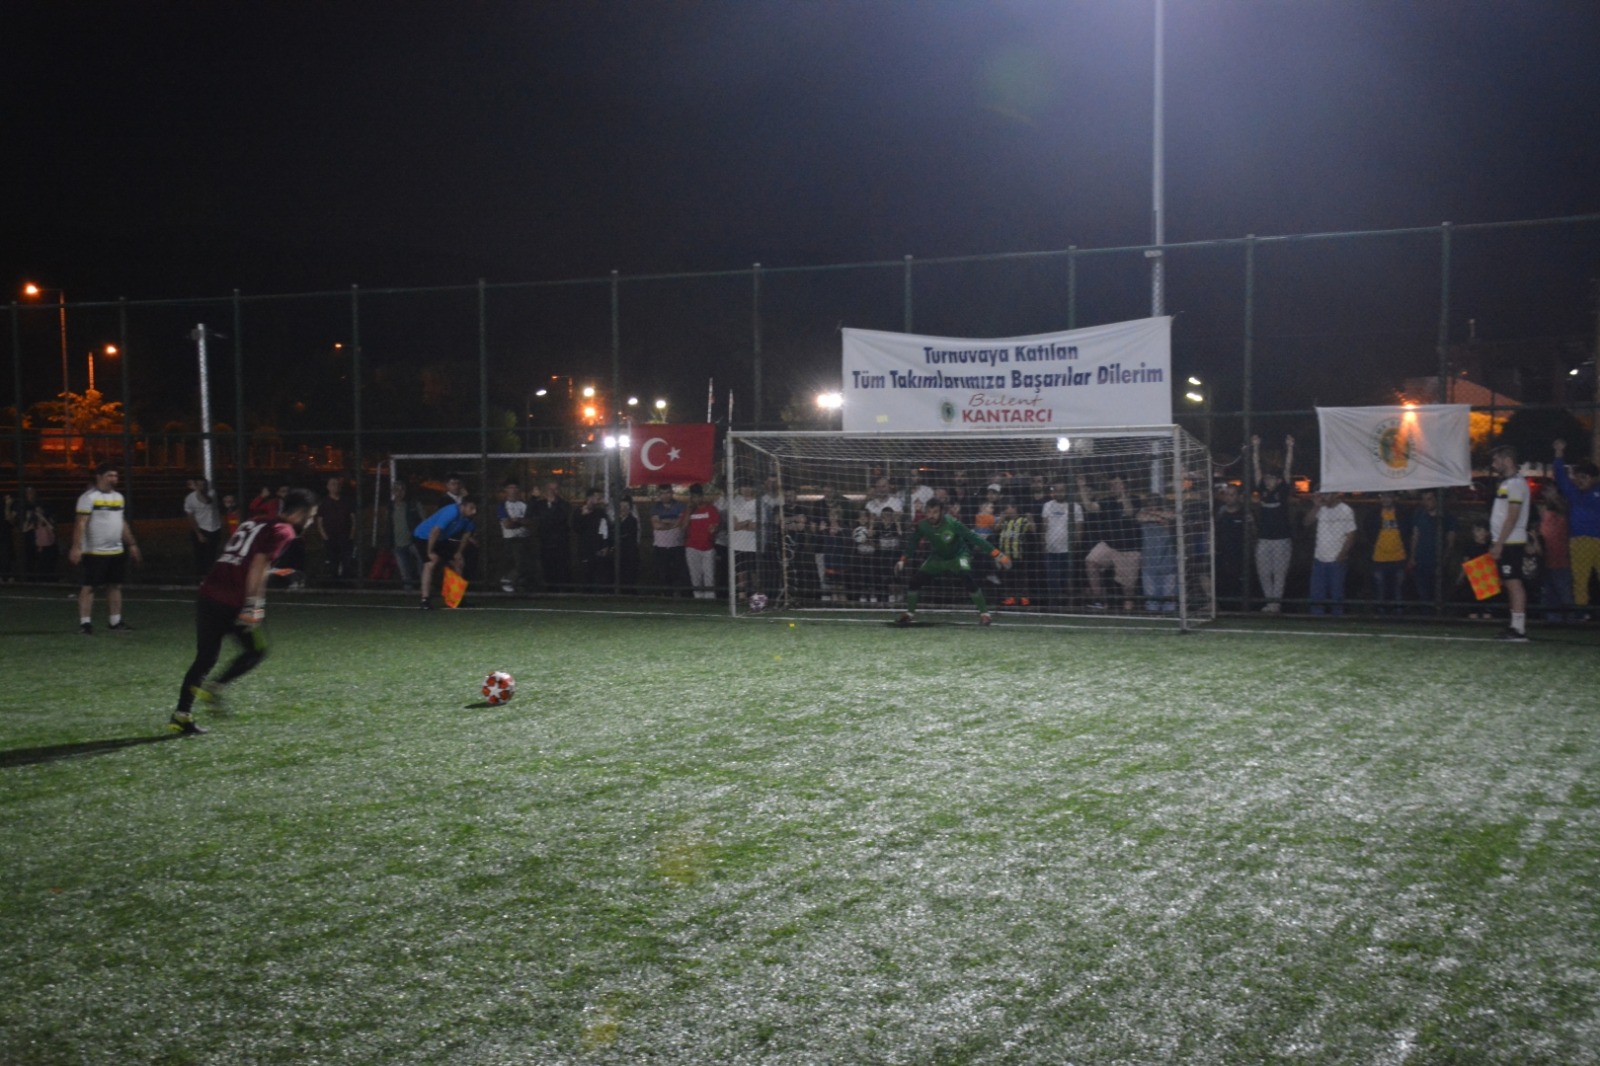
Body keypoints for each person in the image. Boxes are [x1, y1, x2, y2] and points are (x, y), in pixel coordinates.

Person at [168, 488, 319, 736]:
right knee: (257, 650)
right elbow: (258, 565)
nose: (310, 522)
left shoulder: (255, 521)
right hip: (233, 602)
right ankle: (216, 687)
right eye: (311, 516)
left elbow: (243, 559)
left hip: (209, 595)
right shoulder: (284, 531)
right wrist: (253, 606)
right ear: (300, 514)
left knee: (205, 658)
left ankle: (181, 715)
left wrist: (277, 573)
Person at [895, 497, 1010, 626]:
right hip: (937, 558)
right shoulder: (923, 525)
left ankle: (985, 615)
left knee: (967, 577)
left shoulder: (952, 523)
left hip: (959, 556)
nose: (931, 515)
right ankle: (909, 614)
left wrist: (997, 554)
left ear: (942, 512)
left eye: (935, 512)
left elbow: (973, 538)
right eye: (929, 512)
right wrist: (903, 560)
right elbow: (913, 543)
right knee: (915, 581)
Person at [69, 464, 142, 634]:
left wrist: (131, 544)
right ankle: (85, 624)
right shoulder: (89, 497)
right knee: (89, 586)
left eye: (115, 476)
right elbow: (81, 523)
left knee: (115, 586)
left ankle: (115, 621)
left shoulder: (118, 497)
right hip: (94, 551)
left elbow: (121, 521)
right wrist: (76, 547)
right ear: (99, 477)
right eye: (110, 475)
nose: (114, 479)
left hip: (115, 550)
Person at [1551, 439, 1600, 618]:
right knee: (1580, 580)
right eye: (1578, 477)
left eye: (1584, 477)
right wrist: (1559, 453)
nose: (1580, 481)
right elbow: (1560, 477)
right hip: (1579, 541)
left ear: (1594, 478)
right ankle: (1581, 615)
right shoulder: (1574, 493)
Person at [1081, 472, 1142, 611]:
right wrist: (1082, 487)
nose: (1113, 487)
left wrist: (1123, 494)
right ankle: (1099, 600)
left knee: (1128, 590)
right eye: (1111, 485)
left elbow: (1129, 512)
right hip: (1109, 545)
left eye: (1117, 484)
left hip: (1128, 549)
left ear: (1124, 485)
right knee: (1091, 562)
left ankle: (1128, 613)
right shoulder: (1107, 501)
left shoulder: (1134, 499)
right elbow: (1089, 507)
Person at [1487, 445, 1531, 641]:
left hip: (1511, 542)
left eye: (1496, 460)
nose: (1493, 464)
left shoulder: (1516, 484)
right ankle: (1514, 625)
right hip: (1507, 541)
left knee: (1513, 582)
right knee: (1509, 582)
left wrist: (1500, 543)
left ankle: (1519, 628)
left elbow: (1512, 516)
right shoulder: (1509, 483)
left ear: (1507, 460)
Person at [1251, 434, 1295, 612]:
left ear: (1278, 480)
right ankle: (1269, 601)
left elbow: (1288, 469)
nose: (1268, 480)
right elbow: (1256, 468)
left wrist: (1290, 448)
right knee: (1263, 571)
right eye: (1267, 478)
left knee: (1279, 573)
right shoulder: (1262, 489)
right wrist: (1255, 448)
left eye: (1271, 478)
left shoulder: (1283, 490)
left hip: (1281, 538)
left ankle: (1276, 603)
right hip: (1264, 537)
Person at [414, 496, 478, 609]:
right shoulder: (452, 511)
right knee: (431, 562)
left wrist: (459, 552)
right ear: (463, 506)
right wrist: (429, 552)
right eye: (471, 508)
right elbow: (435, 531)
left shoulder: (469, 518)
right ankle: (425, 600)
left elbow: (466, 535)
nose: (474, 511)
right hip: (424, 537)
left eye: (475, 508)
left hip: (441, 539)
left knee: (459, 561)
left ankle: (456, 598)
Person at [1306, 488, 1357, 616]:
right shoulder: (1321, 508)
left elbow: (1351, 535)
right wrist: (1316, 507)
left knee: (1337, 594)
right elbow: (1307, 522)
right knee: (1317, 594)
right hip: (1319, 558)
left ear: (1335, 494)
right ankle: (1317, 617)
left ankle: (1337, 617)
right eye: (1322, 494)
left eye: (1327, 494)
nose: (1324, 497)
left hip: (1336, 559)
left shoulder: (1345, 510)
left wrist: (1342, 554)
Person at [1407, 490, 1456, 609]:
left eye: (1429, 499)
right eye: (1423, 499)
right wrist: (1412, 557)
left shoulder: (1447, 517)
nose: (1426, 502)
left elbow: (1450, 542)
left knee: (1438, 593)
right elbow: (1415, 536)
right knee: (1422, 592)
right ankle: (1426, 612)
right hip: (1421, 560)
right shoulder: (1419, 514)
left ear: (1436, 500)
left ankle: (1437, 613)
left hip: (1437, 560)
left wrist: (1444, 561)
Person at [1364, 490, 1411, 614]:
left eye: (1388, 496)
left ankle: (1399, 612)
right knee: (1380, 587)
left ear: (1394, 498)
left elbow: (1408, 532)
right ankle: (1381, 612)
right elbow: (1368, 531)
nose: (1385, 499)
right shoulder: (1374, 515)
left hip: (1399, 556)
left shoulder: (1402, 514)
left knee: (1399, 588)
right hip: (1379, 557)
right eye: (1383, 496)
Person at [1039, 480, 1083, 610]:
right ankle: (1054, 606)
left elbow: (1079, 528)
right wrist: (1043, 543)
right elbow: (1044, 526)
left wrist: (1077, 544)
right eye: (1056, 490)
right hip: (1051, 549)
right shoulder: (1047, 505)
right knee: (1052, 579)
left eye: (1062, 490)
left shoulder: (1075, 507)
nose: (1059, 493)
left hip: (1068, 550)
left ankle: (1069, 606)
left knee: (1067, 580)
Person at [1535, 482, 1572, 622]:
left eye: (1550, 490)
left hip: (1561, 558)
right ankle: (1553, 619)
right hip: (1547, 557)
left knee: (1563, 590)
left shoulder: (1561, 508)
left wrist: (1554, 497)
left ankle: (1570, 618)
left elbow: (1562, 510)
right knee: (1549, 591)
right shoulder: (1545, 510)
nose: (1547, 494)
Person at [1212, 482, 1250, 609]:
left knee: (1237, 583)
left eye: (1232, 495)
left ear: (1238, 497)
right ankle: (1221, 606)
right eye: (1227, 494)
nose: (1228, 497)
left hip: (1239, 554)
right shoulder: (1220, 514)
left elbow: (1252, 534)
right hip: (1222, 553)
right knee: (1222, 581)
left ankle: (1239, 607)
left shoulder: (1244, 514)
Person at [385, 479, 425, 591]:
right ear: (393, 492)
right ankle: (408, 590)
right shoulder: (390, 506)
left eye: (402, 490)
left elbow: (424, 521)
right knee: (404, 569)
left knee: (422, 563)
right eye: (396, 490)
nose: (400, 493)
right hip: (397, 542)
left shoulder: (413, 504)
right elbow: (389, 524)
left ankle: (424, 586)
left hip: (414, 541)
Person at [532, 480, 572, 592]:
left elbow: (562, 516)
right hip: (545, 541)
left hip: (560, 542)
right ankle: (549, 589)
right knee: (547, 567)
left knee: (561, 567)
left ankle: (563, 589)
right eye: (550, 489)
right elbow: (530, 513)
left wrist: (554, 504)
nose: (552, 492)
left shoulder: (563, 504)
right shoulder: (540, 504)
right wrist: (533, 498)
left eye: (555, 489)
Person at [649, 484, 688, 597]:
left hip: (677, 545)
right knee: (662, 572)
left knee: (678, 572)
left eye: (667, 493)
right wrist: (673, 523)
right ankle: (665, 594)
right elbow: (656, 525)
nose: (665, 496)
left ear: (672, 493)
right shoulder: (655, 507)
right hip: (660, 546)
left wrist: (664, 522)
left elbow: (681, 523)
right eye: (662, 493)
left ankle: (678, 594)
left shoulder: (680, 506)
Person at [684, 483, 721, 600]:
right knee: (695, 576)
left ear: (702, 496)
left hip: (707, 547)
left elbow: (716, 526)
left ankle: (710, 598)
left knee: (709, 576)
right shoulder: (690, 511)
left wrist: (714, 529)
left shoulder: (711, 509)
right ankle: (698, 598)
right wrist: (689, 511)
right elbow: (683, 527)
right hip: (692, 547)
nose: (696, 499)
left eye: (698, 496)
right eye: (693, 497)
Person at [496, 479, 534, 593]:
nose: (513, 490)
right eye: (510, 488)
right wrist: (519, 521)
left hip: (525, 537)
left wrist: (517, 521)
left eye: (515, 488)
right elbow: (507, 525)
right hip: (511, 538)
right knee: (518, 563)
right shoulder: (502, 505)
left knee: (526, 564)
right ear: (506, 490)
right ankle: (508, 580)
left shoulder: (525, 505)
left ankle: (518, 585)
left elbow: (530, 522)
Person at [316, 475, 356, 582]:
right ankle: (333, 581)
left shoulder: (347, 501)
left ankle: (346, 581)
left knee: (346, 560)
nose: (335, 487)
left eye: (337, 484)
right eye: (333, 484)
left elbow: (353, 519)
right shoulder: (324, 503)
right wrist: (324, 536)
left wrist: (352, 534)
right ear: (328, 487)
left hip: (345, 536)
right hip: (331, 537)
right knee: (333, 560)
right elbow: (319, 521)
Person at [183, 476, 224, 578]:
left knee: (211, 554)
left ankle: (210, 575)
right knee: (199, 555)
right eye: (199, 485)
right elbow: (190, 516)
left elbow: (206, 501)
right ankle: (200, 576)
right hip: (201, 528)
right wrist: (198, 533)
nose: (202, 487)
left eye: (204, 485)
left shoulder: (212, 493)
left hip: (214, 528)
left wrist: (197, 490)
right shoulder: (189, 498)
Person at [573, 487, 613, 588]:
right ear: (589, 498)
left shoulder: (600, 513)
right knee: (586, 577)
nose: (599, 500)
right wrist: (583, 516)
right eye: (597, 497)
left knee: (599, 577)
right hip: (585, 550)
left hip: (598, 550)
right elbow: (576, 528)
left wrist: (606, 545)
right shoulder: (578, 511)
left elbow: (606, 530)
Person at [615, 496, 642, 593]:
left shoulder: (632, 520)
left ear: (630, 508)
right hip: (619, 552)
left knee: (629, 574)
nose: (623, 509)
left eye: (626, 506)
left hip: (630, 552)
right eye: (621, 506)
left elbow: (627, 534)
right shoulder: (617, 520)